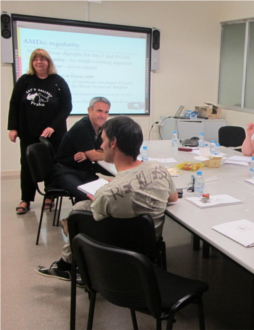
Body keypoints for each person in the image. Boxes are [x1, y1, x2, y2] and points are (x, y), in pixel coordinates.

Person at [36, 116, 179, 283]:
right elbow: (173, 197)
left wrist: (100, 197)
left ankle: (67, 266)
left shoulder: (107, 193)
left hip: (114, 254)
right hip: (149, 249)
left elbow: (96, 223)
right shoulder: (158, 169)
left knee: (80, 209)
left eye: (103, 140)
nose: (101, 146)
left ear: (113, 143)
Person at [7, 48, 72, 214]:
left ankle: (49, 196)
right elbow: (14, 104)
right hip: (28, 133)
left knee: (51, 166)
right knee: (27, 165)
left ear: (48, 62)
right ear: (32, 62)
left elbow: (66, 107)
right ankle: (26, 199)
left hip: (53, 134)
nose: (39, 62)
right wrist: (13, 128)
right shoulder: (25, 81)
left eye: (42, 59)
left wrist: (53, 126)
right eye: (35, 59)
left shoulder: (58, 81)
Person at [52, 97, 110, 203]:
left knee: (103, 192)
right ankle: (74, 219)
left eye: (106, 112)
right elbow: (94, 156)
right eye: (99, 111)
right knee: (86, 195)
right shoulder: (82, 127)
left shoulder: (100, 127)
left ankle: (83, 218)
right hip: (66, 171)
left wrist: (90, 153)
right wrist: (112, 154)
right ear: (89, 110)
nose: (103, 116)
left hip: (85, 170)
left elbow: (100, 150)